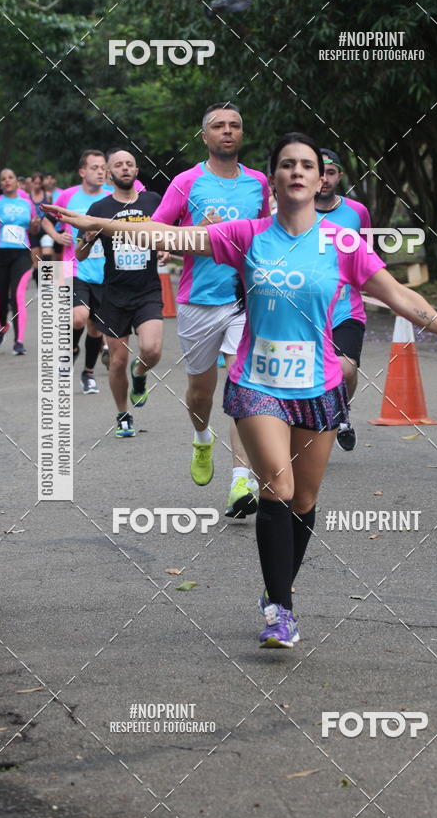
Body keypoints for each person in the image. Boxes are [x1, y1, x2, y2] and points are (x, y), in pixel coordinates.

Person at [43, 131, 437, 649]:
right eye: (287, 164)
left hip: (318, 385)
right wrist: (96, 223)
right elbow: (168, 236)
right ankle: (280, 611)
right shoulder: (247, 235)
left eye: (307, 165)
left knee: (304, 500)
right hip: (256, 383)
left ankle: (276, 590)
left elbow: (402, 298)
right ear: (274, 179)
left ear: (320, 178)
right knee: (278, 490)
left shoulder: (343, 243)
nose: (297, 172)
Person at [152, 102, 271, 518]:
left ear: (242, 134)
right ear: (205, 137)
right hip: (198, 300)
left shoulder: (259, 183)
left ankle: (241, 480)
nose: (227, 131)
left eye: (234, 125)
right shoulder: (186, 182)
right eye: (219, 126)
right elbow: (156, 232)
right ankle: (202, 438)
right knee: (201, 392)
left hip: (246, 300)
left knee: (245, 386)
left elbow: (268, 232)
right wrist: (194, 233)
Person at [75, 149, 162, 436]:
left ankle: (140, 373)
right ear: (110, 174)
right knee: (117, 360)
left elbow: (170, 234)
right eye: (118, 165)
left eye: (129, 164)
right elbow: (80, 254)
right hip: (114, 294)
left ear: (136, 171)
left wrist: (165, 249)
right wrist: (87, 240)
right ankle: (123, 414)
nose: (124, 168)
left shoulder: (153, 201)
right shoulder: (99, 208)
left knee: (151, 349)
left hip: (147, 290)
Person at [315, 147, 371, 452]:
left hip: (345, 308)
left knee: (345, 370)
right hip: (305, 310)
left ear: (340, 176)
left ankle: (341, 412)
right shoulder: (291, 212)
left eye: (331, 172)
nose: (324, 178)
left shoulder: (357, 212)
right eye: (319, 172)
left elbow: (369, 256)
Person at [41, 150, 111, 391]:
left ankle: (88, 373)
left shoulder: (111, 198)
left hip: (105, 272)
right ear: (82, 171)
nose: (100, 172)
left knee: (95, 328)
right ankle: (69, 351)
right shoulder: (68, 196)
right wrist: (55, 235)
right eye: (94, 167)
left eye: (103, 168)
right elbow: (46, 219)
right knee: (78, 317)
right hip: (75, 268)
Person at [0, 168, 37, 354]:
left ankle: (19, 342)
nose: (7, 181)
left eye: (10, 177)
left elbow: (34, 230)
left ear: (17, 182)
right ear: (1, 184)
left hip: (21, 255)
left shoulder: (27, 203)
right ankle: (3, 326)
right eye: (3, 179)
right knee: (1, 300)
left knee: (17, 296)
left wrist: (35, 225)